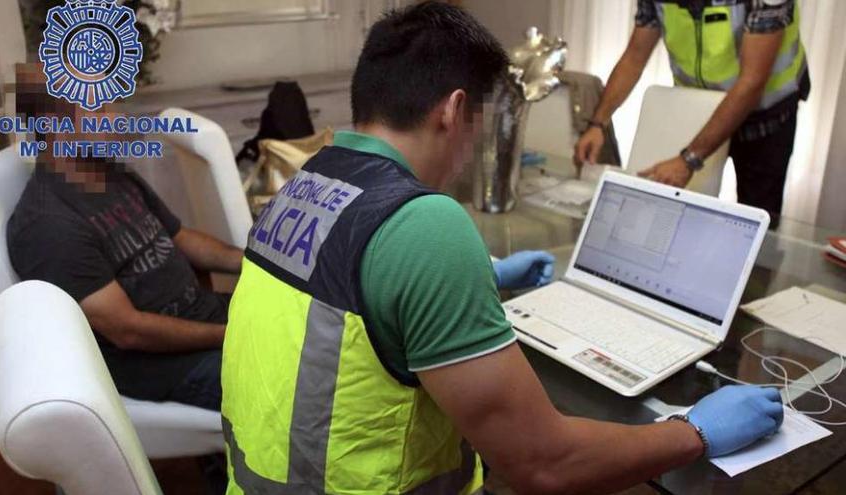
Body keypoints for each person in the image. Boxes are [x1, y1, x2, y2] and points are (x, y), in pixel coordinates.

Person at [221, 3, 783, 494]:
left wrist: (485, 273)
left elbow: (347, 294)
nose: (470, 151)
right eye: (478, 126)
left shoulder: (307, 181)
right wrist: (693, 433)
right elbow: (545, 466)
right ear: (451, 110)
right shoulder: (425, 226)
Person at [7, 65, 241, 414]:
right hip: (166, 366)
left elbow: (180, 237)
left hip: (206, 318)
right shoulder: (47, 225)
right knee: (314, 378)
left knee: (318, 333)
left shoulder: (108, 173)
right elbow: (128, 331)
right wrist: (232, 335)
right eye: (100, 109)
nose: (117, 117)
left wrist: (255, 261)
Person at [574, 0, 808, 228]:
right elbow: (634, 57)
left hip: (765, 115)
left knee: (757, 221)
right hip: (699, 108)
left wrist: (689, 160)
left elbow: (751, 83)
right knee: (676, 212)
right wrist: (598, 123)